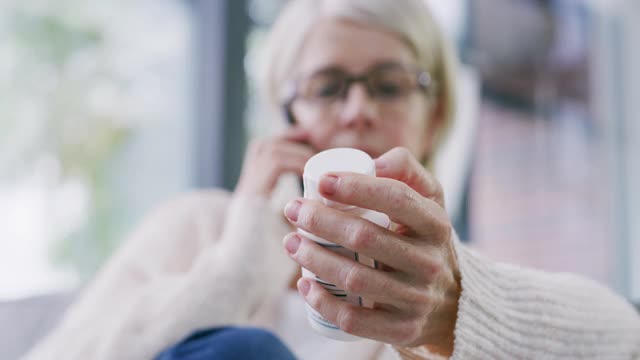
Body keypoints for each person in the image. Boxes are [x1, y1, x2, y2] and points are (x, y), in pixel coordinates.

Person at [23, 0, 640, 359]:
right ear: (287, 115)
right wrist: (236, 265)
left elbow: (624, 336)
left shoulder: (443, 281)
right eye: (327, 87)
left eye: (389, 84)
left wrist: (456, 307)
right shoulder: (200, 226)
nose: (357, 110)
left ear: (437, 114)